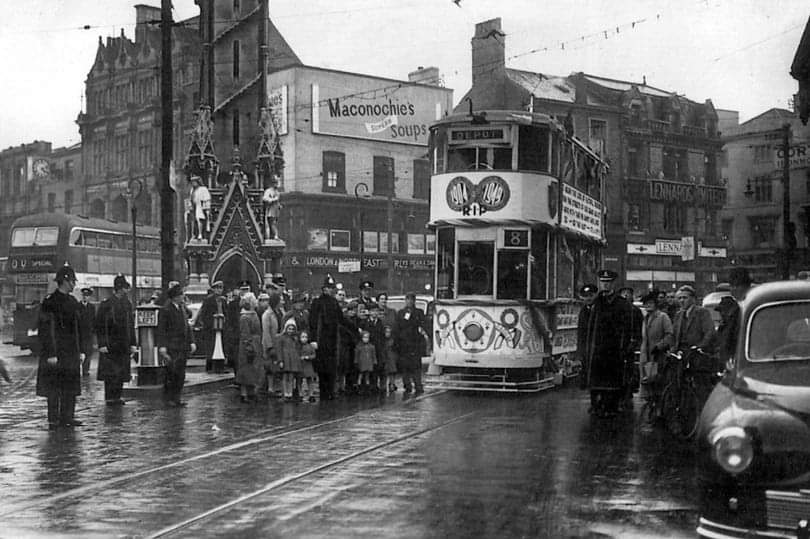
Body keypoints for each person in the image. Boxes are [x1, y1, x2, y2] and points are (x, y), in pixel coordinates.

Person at [36, 264, 87, 429]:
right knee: (54, 387)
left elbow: (78, 329)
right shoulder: (50, 302)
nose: (74, 284)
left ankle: (68, 417)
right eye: (72, 281)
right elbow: (45, 328)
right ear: (65, 281)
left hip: (71, 352)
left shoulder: (73, 302)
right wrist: (51, 352)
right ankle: (54, 419)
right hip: (56, 352)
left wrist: (81, 351)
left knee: (70, 386)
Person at [581, 270, 635, 417]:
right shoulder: (595, 303)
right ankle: (597, 405)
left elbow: (628, 328)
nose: (605, 285)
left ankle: (611, 407)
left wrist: (625, 347)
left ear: (613, 283)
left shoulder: (622, 304)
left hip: (614, 351)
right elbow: (586, 326)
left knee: (612, 384)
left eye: (608, 282)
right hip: (596, 351)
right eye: (603, 282)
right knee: (596, 383)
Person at [95, 275, 137, 406]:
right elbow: (99, 326)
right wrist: (102, 344)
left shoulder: (127, 304)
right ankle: (110, 398)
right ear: (119, 289)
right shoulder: (106, 304)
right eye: (124, 288)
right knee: (111, 373)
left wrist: (133, 343)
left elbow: (130, 325)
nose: (126, 291)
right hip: (111, 344)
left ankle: (117, 396)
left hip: (123, 344)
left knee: (121, 373)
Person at [156, 283, 196, 407]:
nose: (183, 297)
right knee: (171, 374)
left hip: (182, 346)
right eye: (181, 294)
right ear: (175, 296)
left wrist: (192, 341)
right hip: (172, 346)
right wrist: (162, 347)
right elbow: (161, 330)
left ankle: (177, 398)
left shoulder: (182, 308)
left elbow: (187, 326)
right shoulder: (166, 310)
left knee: (180, 374)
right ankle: (169, 399)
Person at [309, 274, 344, 401]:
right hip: (321, 340)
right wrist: (313, 339)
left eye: (332, 288)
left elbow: (341, 319)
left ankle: (330, 391)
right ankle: (324, 392)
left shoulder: (334, 303)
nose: (331, 290)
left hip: (332, 340)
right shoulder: (317, 303)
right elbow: (313, 322)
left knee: (331, 368)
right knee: (322, 369)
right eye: (329, 288)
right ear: (324, 289)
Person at [638, 290, 674, 406]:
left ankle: (660, 409)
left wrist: (660, 346)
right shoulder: (645, 318)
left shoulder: (663, 317)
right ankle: (651, 407)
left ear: (655, 304)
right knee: (648, 383)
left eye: (650, 303)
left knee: (658, 382)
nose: (648, 306)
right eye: (646, 304)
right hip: (646, 356)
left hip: (659, 356)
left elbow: (670, 335)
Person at [393, 292, 427, 396]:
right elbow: (397, 328)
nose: (409, 301)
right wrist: (397, 343)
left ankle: (418, 385)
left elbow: (423, 325)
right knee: (405, 367)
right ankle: (407, 385)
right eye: (407, 299)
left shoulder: (419, 312)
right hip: (404, 343)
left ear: (414, 301)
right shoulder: (401, 313)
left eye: (411, 300)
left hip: (415, 342)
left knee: (416, 367)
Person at [618, 285, 643, 406]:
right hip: (618, 344)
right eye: (624, 293)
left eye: (628, 293)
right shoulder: (616, 309)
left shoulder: (635, 311)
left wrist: (636, 341)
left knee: (629, 369)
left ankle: (628, 392)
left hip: (630, 343)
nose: (626, 295)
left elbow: (639, 328)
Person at [236, 293, 263, 403]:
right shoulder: (245, 317)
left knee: (254, 369)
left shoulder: (253, 314)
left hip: (255, 343)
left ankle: (252, 392)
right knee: (245, 369)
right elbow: (245, 334)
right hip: (248, 345)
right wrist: (249, 347)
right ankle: (244, 394)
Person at [195, 280, 225, 372]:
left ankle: (220, 367)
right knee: (211, 348)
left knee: (220, 348)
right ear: (213, 289)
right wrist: (211, 320)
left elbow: (226, 311)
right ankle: (209, 367)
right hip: (211, 328)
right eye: (217, 288)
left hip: (221, 327)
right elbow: (203, 314)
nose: (219, 290)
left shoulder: (223, 300)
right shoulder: (208, 300)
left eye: (220, 288)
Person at [576, 283, 598, 389]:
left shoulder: (600, 310)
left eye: (590, 295)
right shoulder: (583, 311)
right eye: (585, 296)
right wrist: (580, 352)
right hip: (586, 349)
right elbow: (580, 333)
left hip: (598, 349)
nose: (588, 298)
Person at [277, 318, 302, 401]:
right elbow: (279, 350)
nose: (290, 331)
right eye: (289, 329)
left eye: (292, 329)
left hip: (293, 360)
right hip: (285, 359)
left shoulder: (295, 339)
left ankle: (290, 393)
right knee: (285, 377)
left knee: (291, 377)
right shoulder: (281, 338)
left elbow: (298, 349)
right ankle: (285, 393)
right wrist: (280, 360)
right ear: (285, 328)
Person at [262, 293, 281, 397]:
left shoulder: (278, 312)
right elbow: (266, 332)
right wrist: (270, 346)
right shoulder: (267, 315)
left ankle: (274, 387)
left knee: (275, 365)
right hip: (270, 344)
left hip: (278, 342)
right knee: (270, 366)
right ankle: (270, 388)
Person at [77, 286, 96, 376]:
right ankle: (77, 369)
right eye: (84, 295)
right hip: (79, 334)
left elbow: (94, 320)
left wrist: (93, 331)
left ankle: (85, 370)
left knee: (88, 353)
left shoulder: (92, 307)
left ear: (89, 297)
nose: (85, 297)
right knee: (79, 352)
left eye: (87, 295)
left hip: (88, 335)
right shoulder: (77, 306)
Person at [299, 330, 317, 403]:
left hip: (308, 365)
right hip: (300, 365)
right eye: (302, 337)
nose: (304, 338)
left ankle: (311, 394)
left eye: (306, 337)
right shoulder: (298, 346)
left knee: (310, 380)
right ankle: (300, 393)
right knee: (299, 380)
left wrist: (308, 357)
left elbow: (314, 355)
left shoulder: (310, 346)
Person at [381, 325, 398, 394]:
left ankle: (392, 384)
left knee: (392, 372)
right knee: (384, 372)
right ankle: (383, 386)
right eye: (386, 332)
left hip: (391, 358)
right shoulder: (382, 341)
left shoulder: (392, 340)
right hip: (385, 358)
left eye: (389, 332)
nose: (388, 333)